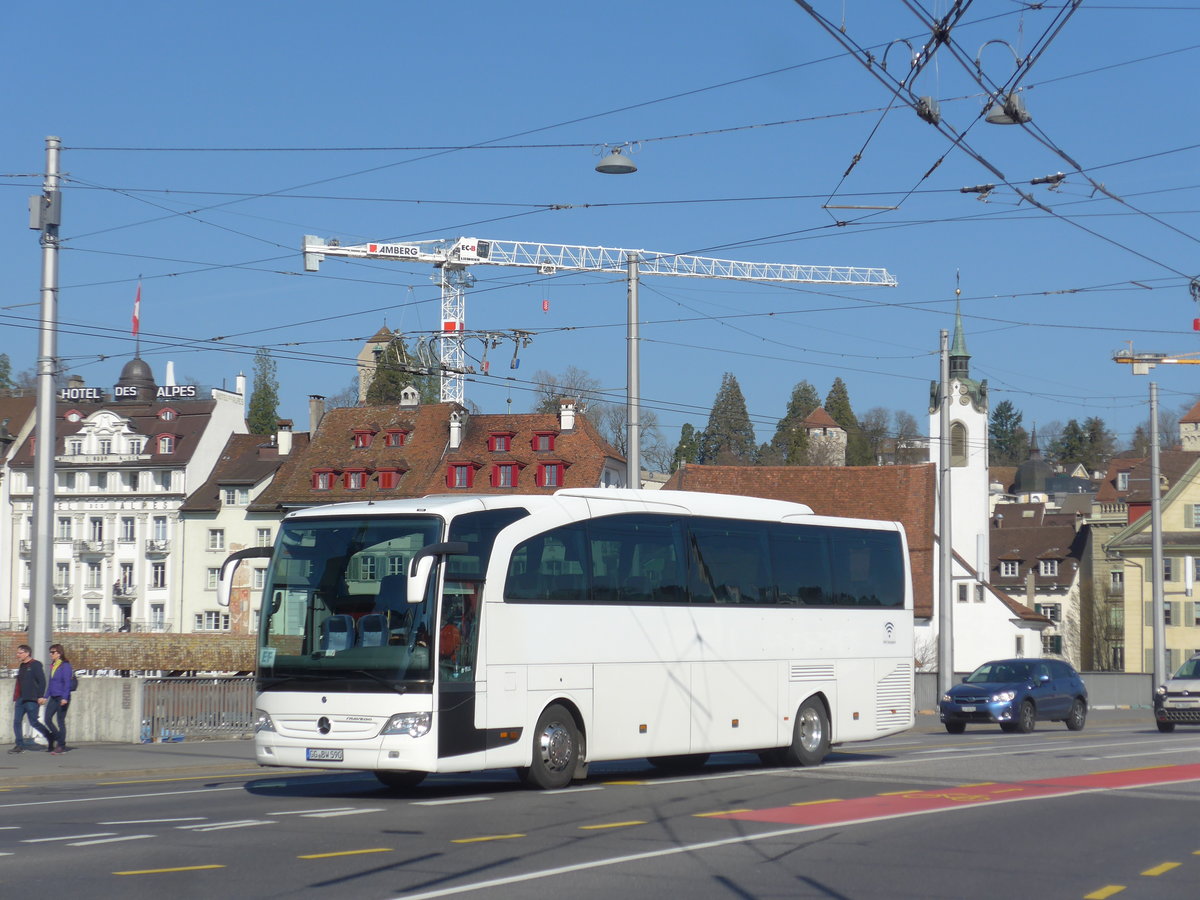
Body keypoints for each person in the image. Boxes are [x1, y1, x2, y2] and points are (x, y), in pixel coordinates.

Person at [10, 645, 52, 754]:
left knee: (33, 722)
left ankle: (50, 738)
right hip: (20, 699)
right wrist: (16, 696)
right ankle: (19, 745)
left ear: (27, 653)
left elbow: (42, 681)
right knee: (17, 721)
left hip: (31, 699)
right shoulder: (22, 666)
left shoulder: (35, 665)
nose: (17, 655)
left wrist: (40, 696)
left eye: (20, 653)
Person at [41, 643, 74, 755]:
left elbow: (67, 683)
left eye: (53, 652)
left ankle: (61, 746)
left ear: (59, 653)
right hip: (53, 696)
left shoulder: (65, 665)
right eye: (50, 652)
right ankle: (59, 739)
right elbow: (51, 683)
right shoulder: (54, 665)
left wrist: (65, 698)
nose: (50, 654)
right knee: (47, 719)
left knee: (60, 721)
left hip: (62, 697)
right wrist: (45, 696)